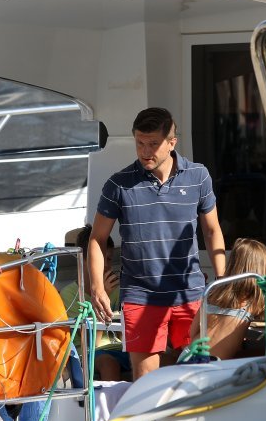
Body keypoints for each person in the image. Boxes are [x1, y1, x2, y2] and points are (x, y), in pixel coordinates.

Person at [89, 107, 226, 380]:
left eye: (153, 143)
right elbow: (97, 238)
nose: (145, 151)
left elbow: (212, 231)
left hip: (190, 293)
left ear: (172, 142)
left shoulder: (198, 176)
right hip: (140, 296)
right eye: (139, 143)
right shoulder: (118, 185)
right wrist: (96, 287)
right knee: (145, 381)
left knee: (199, 376)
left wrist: (222, 280)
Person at [59, 226, 130, 381]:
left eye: (109, 259)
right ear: (84, 259)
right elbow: (92, 343)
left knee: (158, 357)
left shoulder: (116, 290)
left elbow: (122, 336)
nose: (106, 265)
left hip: (119, 348)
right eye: (100, 258)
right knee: (109, 364)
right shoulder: (69, 295)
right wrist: (103, 297)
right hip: (88, 353)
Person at [190, 238, 266, 360]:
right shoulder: (255, 302)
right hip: (212, 364)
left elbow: (192, 332)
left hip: (190, 356)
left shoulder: (212, 293)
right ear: (264, 269)